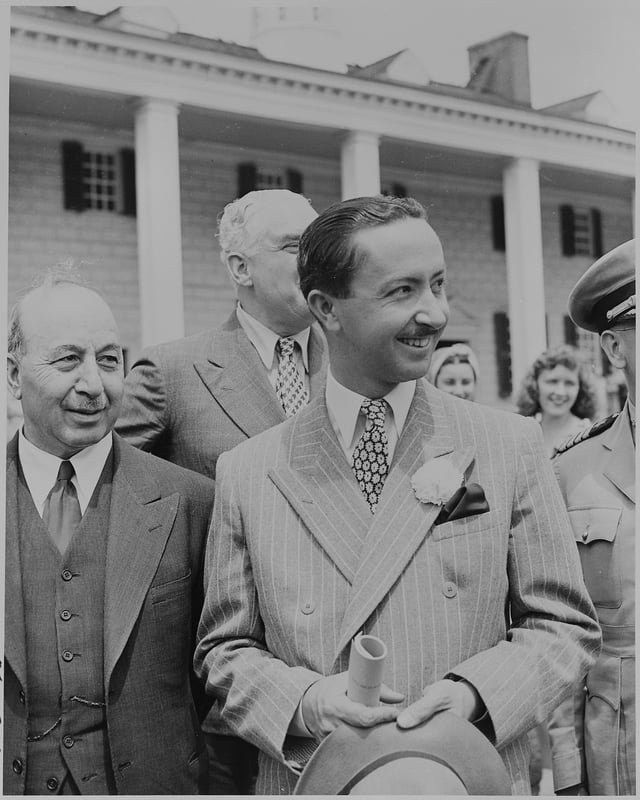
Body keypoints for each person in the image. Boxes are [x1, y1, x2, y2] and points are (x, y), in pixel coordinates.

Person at [194, 195, 601, 795]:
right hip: (320, 779)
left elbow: (565, 626)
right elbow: (224, 653)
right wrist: (308, 701)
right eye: (402, 292)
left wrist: (474, 695)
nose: (435, 314)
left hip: (467, 777)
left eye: (438, 285)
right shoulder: (250, 471)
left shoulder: (507, 443)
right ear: (325, 308)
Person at [116, 188, 327, 794]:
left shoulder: (354, 371)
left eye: (319, 246)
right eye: (294, 248)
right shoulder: (172, 374)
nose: (315, 262)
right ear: (240, 268)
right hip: (225, 693)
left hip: (344, 686)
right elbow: (113, 512)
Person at [4, 267, 214, 795]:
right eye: (68, 359)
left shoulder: (191, 501)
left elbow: (218, 679)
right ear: (13, 375)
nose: (94, 385)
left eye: (109, 360)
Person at [547, 239, 635, 796]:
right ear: (615, 347)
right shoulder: (569, 470)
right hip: (618, 749)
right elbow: (553, 630)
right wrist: (569, 776)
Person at [516, 344, 598, 457]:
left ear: (581, 389)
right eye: (552, 381)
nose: (560, 392)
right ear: (535, 385)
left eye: (569, 383)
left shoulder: (589, 436)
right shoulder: (522, 434)